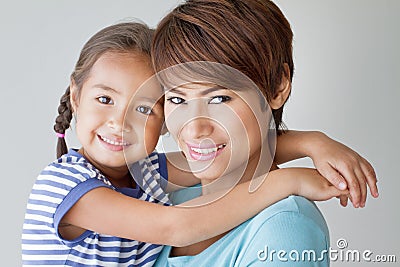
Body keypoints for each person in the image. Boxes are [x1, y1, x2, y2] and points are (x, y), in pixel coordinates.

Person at [22, 21, 352, 267]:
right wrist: (288, 179)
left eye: (144, 108)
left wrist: (313, 143)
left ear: (164, 119)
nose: (120, 123)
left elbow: (231, 149)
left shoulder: (147, 174)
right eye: (105, 98)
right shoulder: (64, 186)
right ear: (76, 96)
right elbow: (175, 228)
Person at [150, 0, 378, 266]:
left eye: (220, 99)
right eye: (177, 100)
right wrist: (308, 142)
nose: (195, 128)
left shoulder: (285, 229)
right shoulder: (166, 193)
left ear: (278, 86)